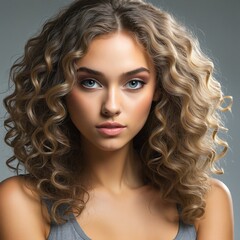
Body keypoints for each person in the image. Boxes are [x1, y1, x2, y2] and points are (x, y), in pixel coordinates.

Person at [0, 0, 234, 239]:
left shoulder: (206, 203)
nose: (111, 106)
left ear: (160, 89)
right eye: (90, 82)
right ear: (59, 88)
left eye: (133, 83)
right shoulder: (22, 201)